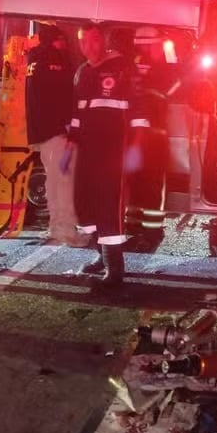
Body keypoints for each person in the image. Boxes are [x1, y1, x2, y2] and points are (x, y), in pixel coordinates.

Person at [68, 22, 147, 287]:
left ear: (103, 41)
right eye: (82, 41)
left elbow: (138, 111)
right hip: (88, 152)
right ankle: (100, 257)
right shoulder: (82, 72)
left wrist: (136, 147)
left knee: (109, 207)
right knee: (86, 205)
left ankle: (115, 271)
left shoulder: (123, 67)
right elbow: (78, 114)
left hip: (114, 151)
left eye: (93, 40)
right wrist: (70, 146)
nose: (87, 47)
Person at [25, 23, 83, 246]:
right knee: (64, 182)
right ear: (55, 41)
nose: (65, 45)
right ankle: (66, 231)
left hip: (42, 133)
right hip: (59, 132)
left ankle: (56, 226)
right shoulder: (54, 60)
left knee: (53, 181)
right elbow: (63, 96)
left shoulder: (34, 60)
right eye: (63, 41)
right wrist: (70, 125)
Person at [125, 26, 181, 250]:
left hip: (136, 135)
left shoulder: (130, 66)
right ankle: (149, 232)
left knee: (138, 185)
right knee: (151, 186)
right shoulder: (162, 70)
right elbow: (176, 86)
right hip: (154, 135)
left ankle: (138, 229)